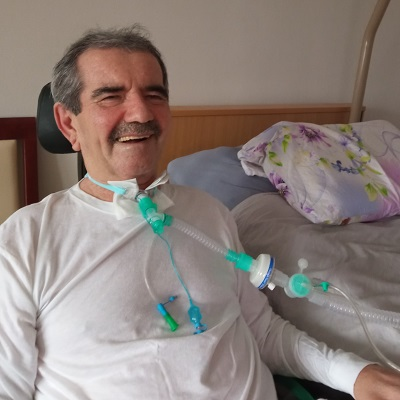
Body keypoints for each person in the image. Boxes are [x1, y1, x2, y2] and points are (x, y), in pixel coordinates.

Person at [0, 25, 399, 400]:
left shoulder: (209, 214)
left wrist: (354, 374)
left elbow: (262, 331)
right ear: (68, 124)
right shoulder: (25, 242)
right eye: (111, 96)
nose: (141, 114)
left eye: (155, 95)